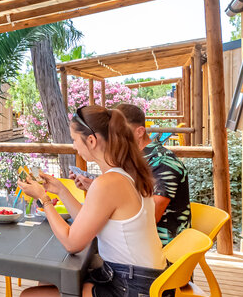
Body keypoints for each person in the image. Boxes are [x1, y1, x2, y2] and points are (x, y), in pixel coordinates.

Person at [16, 105, 173, 297]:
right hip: (150, 294)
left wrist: (44, 200)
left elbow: (74, 242)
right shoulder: (125, 175)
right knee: (49, 286)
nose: (73, 145)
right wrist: (61, 191)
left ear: (91, 141)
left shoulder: (109, 183)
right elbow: (90, 220)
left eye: (75, 139)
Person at [66, 102, 191, 245]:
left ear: (139, 132)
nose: (114, 136)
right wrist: (94, 187)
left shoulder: (163, 162)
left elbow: (150, 216)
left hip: (163, 249)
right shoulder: (132, 160)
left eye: (121, 131)